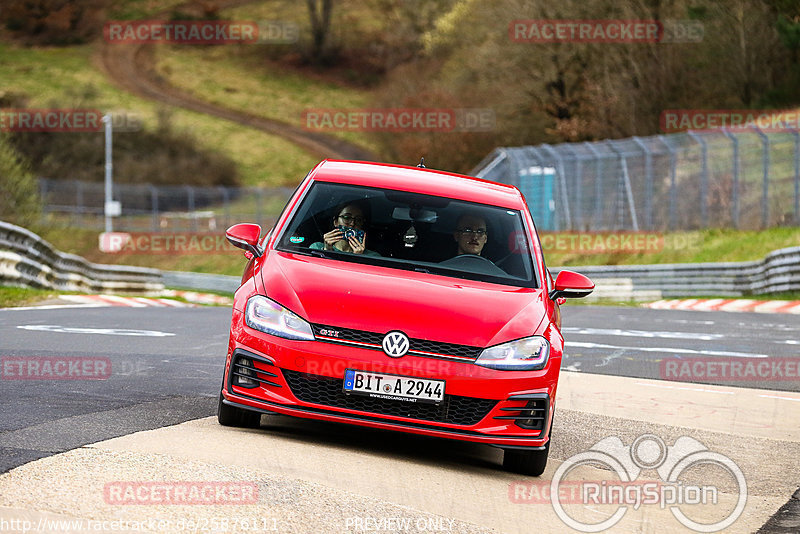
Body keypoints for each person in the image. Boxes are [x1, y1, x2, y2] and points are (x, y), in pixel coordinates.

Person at [310, 202, 381, 256]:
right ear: (336, 222)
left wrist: (358, 258)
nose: (352, 223)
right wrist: (327, 252)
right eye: (347, 218)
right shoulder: (317, 248)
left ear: (362, 225)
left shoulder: (372, 256)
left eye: (358, 220)